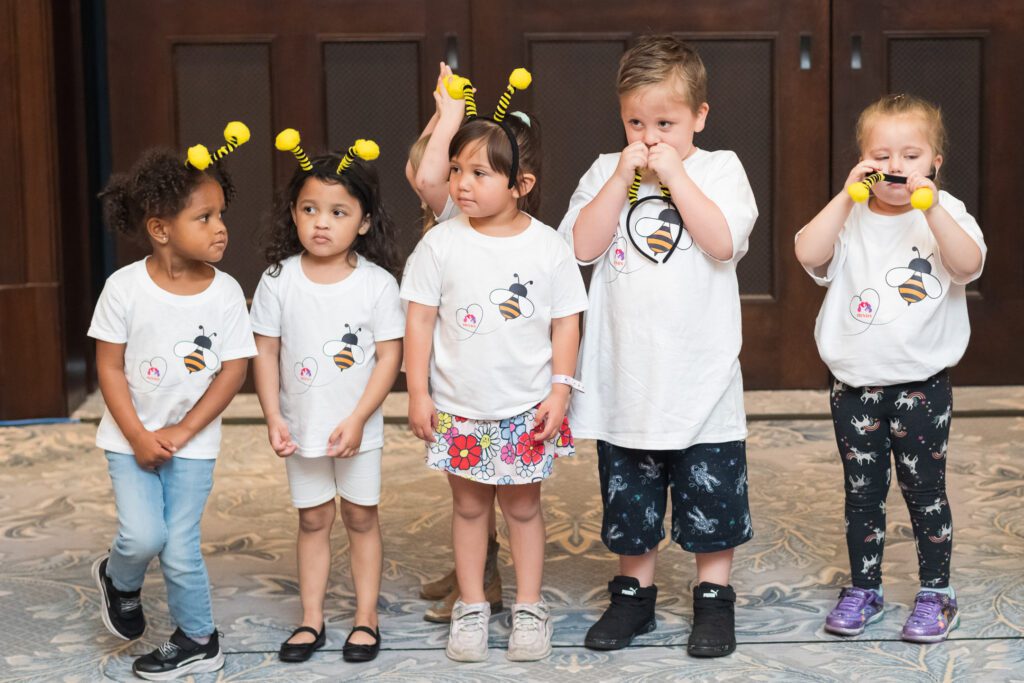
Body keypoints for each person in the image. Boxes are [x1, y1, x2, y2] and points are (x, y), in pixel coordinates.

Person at [559, 35, 758, 657]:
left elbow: (722, 243)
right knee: (631, 496)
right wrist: (622, 177)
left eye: (666, 123)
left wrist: (674, 173)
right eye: (636, 123)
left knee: (711, 497)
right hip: (627, 374)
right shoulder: (605, 171)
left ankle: (712, 600)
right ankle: (633, 597)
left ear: (700, 116)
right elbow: (578, 250)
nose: (649, 137)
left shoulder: (720, 169)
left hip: (702, 376)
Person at [403, 79, 588, 661]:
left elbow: (566, 323)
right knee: (467, 507)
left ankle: (529, 608)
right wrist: (417, 392)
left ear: (520, 185)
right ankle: (472, 607)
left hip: (525, 406)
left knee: (524, 508)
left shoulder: (547, 247)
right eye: (458, 170)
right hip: (460, 405)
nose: (462, 183)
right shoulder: (440, 245)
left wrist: (560, 391)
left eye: (480, 173)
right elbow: (420, 323)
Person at [794, 93, 985, 643]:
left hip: (921, 387)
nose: (895, 167)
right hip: (854, 386)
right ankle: (865, 586)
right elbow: (809, 254)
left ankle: (936, 591)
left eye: (911, 155)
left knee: (925, 492)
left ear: (934, 164)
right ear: (862, 162)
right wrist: (844, 196)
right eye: (881, 155)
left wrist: (932, 207)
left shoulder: (946, 218)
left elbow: (967, 264)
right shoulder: (850, 217)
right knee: (862, 493)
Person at [90, 138, 256, 680]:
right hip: (129, 438)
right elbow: (110, 367)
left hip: (194, 442)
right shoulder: (123, 289)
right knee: (142, 537)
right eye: (204, 217)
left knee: (180, 545)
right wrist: (138, 434)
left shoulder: (227, 292)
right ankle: (119, 578)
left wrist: (185, 428)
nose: (220, 228)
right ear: (161, 229)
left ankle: (198, 639)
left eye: (221, 215)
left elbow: (233, 370)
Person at [251, 135, 404, 663]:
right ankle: (310, 619)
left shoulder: (378, 285)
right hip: (301, 425)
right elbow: (265, 353)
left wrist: (361, 417)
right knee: (313, 520)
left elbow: (389, 358)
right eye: (309, 209)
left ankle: (366, 617)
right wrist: (273, 415)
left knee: (361, 517)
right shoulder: (277, 281)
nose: (321, 222)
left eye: (338, 212)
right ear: (292, 214)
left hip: (358, 429)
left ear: (362, 221)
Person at [405, 62, 503, 624]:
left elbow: (425, 175)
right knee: (465, 486)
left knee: (480, 487)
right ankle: (476, 566)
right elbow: (420, 165)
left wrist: (452, 119)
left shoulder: (454, 213)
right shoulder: (445, 214)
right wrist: (443, 114)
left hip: (478, 377)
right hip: (450, 374)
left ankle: (485, 580)